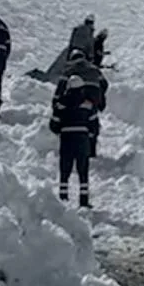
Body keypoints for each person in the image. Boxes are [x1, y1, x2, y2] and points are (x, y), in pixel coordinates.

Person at [49, 75, 98, 208]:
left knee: (65, 169)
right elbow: (94, 124)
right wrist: (91, 137)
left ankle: (63, 197)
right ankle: (83, 200)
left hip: (66, 140)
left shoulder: (61, 104)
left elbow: (53, 124)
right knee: (83, 171)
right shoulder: (88, 104)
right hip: (82, 140)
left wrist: (61, 131)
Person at [54, 49, 108, 157]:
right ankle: (92, 149)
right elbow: (104, 83)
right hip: (94, 95)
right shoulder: (94, 68)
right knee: (92, 119)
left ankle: (75, 147)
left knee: (78, 117)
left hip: (78, 93)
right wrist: (101, 98)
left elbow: (61, 87)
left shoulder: (69, 68)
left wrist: (56, 101)